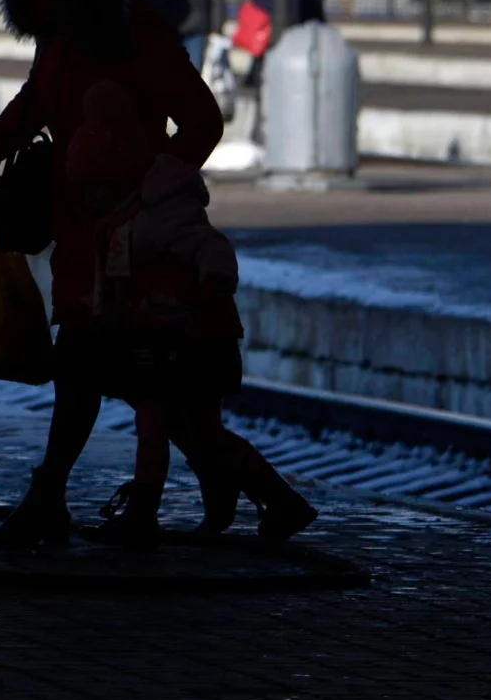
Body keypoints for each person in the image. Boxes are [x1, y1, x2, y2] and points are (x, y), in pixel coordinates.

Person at [0, 0, 273, 553]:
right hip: (82, 234)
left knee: (107, 371)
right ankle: (235, 485)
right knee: (125, 377)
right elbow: (34, 103)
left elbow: (204, 122)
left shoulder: (142, 38)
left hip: (132, 243)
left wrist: (150, 188)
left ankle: (53, 497)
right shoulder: (61, 35)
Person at [63, 98, 313, 546]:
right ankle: (257, 501)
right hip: (164, 341)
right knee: (194, 431)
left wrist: (210, 283)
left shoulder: (162, 211)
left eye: (95, 188)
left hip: (192, 341)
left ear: (117, 176)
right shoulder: (124, 217)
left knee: (165, 428)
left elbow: (211, 249)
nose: (90, 200)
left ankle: (146, 512)